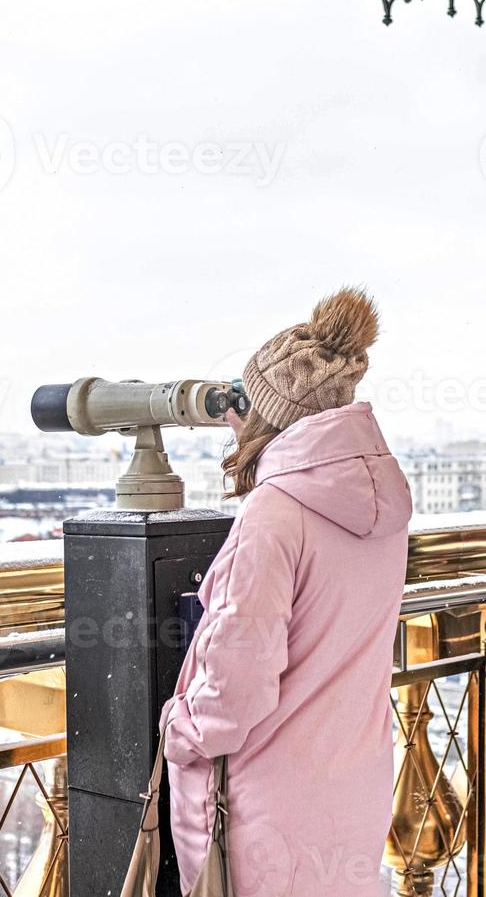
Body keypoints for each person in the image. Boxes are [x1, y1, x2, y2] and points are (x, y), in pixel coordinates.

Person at [159, 287, 412, 897]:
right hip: (354, 790)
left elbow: (236, 689)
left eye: (242, 403)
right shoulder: (387, 505)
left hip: (267, 813)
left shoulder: (274, 516)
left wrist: (178, 728)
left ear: (270, 415)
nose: (230, 417)